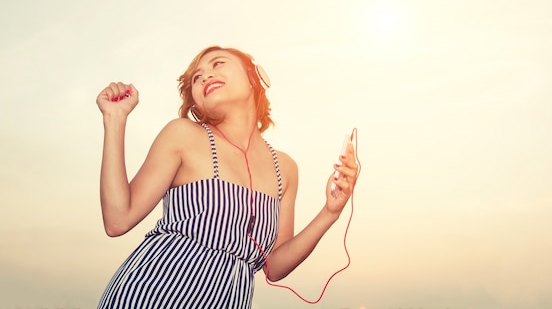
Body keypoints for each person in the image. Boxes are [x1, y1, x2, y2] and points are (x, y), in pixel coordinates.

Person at [95, 45, 359, 309]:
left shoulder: (286, 169)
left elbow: (274, 267)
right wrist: (114, 118)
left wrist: (330, 212)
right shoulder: (183, 135)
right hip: (150, 297)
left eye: (218, 64)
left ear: (255, 76)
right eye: (196, 78)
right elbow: (118, 220)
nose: (205, 76)